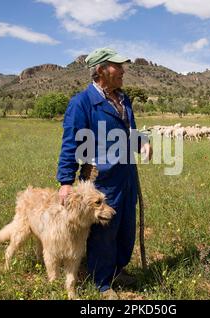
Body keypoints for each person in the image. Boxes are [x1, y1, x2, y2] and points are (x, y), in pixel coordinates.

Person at [56, 48, 151, 299]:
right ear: (100, 71)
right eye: (116, 66)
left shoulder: (124, 99)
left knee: (125, 228)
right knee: (104, 233)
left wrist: (142, 141)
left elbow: (132, 131)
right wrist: (66, 181)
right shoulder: (82, 103)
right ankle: (101, 281)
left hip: (127, 176)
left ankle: (117, 269)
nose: (122, 71)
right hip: (101, 180)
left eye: (122, 66)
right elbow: (70, 143)